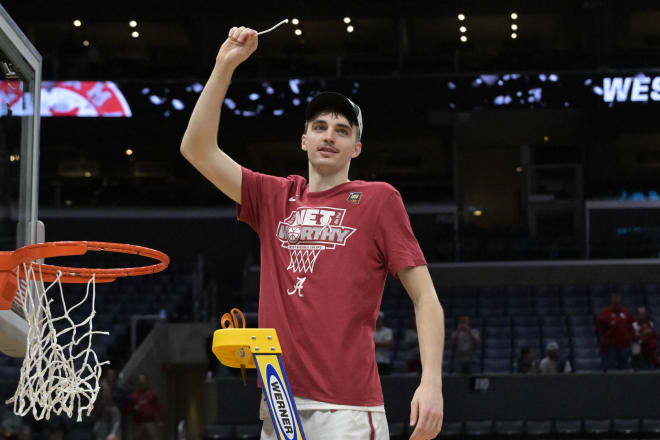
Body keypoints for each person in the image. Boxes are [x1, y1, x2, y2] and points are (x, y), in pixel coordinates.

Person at [181, 25, 445, 439]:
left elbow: (425, 296)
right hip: (279, 404)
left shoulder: (378, 199)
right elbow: (196, 149)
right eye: (320, 127)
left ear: (356, 148)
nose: (329, 136)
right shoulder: (273, 196)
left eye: (343, 131)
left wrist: (431, 383)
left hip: (347, 409)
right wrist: (224, 67)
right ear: (303, 141)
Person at [596, 293, 634, 370]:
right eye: (614, 299)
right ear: (611, 301)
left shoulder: (626, 313)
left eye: (617, 299)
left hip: (624, 345)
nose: (616, 301)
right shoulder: (605, 313)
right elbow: (599, 326)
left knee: (624, 367)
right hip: (611, 346)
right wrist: (609, 325)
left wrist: (630, 338)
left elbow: (631, 326)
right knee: (611, 367)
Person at [126, 374, 163, 440]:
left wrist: (160, 419)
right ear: (138, 382)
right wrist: (133, 409)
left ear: (146, 382)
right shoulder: (133, 396)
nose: (142, 383)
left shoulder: (152, 394)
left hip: (150, 423)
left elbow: (158, 407)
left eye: (143, 381)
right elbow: (127, 409)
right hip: (138, 423)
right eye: (140, 382)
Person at [94, 368, 124, 440]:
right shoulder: (101, 385)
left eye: (112, 375)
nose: (110, 376)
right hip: (103, 410)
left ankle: (113, 435)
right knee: (100, 431)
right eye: (109, 375)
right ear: (106, 376)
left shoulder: (117, 386)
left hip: (114, 408)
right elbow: (96, 399)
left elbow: (121, 398)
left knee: (115, 430)